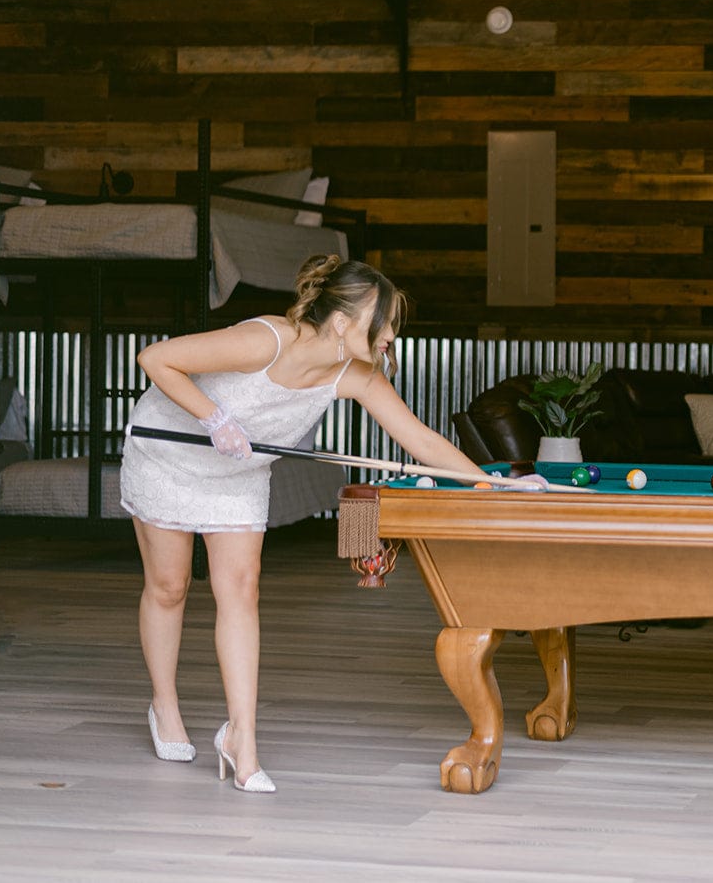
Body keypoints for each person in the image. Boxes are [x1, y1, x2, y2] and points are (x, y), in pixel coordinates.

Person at [122, 255, 545, 791]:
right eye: (383, 322)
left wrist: (494, 484)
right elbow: (156, 358)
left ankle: (242, 740)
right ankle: (165, 706)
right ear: (343, 322)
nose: (391, 335)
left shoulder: (357, 375)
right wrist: (215, 418)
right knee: (169, 586)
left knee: (242, 590)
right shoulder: (265, 341)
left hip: (238, 473)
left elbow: (419, 439)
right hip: (169, 452)